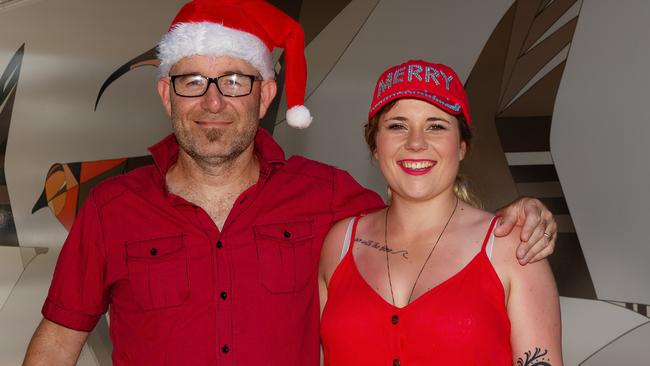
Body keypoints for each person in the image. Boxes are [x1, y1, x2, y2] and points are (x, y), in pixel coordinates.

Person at [23, 2, 557, 365]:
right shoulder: (111, 207)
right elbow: (57, 342)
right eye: (193, 82)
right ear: (167, 94)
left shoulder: (330, 200)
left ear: (266, 94)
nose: (213, 103)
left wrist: (527, 211)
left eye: (235, 81)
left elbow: (422, 209)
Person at [319, 60, 562, 365]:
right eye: (397, 126)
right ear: (375, 145)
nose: (416, 143)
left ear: (461, 146)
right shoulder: (339, 244)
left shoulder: (513, 247)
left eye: (435, 126)